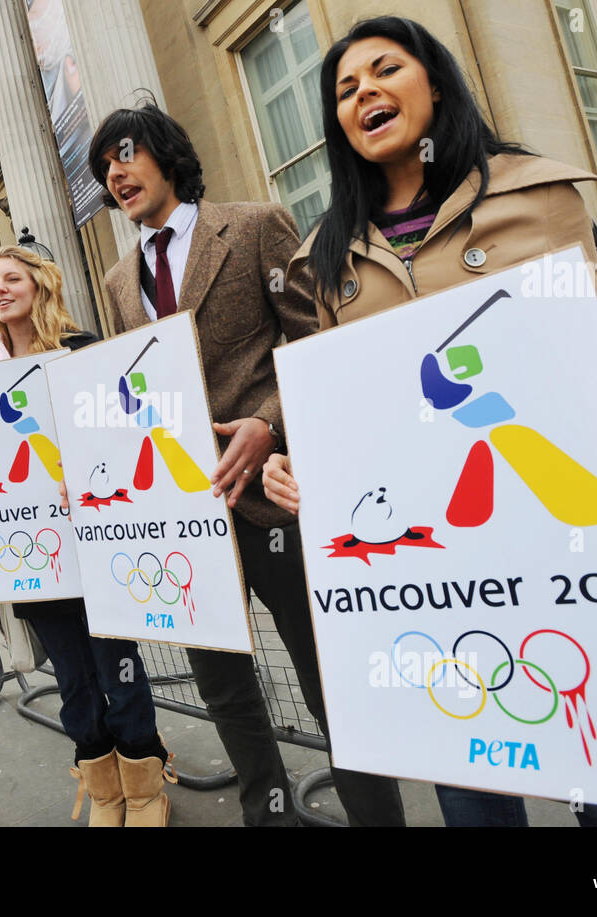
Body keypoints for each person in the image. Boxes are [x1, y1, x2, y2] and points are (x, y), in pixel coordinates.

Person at [262, 15, 597, 827]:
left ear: (434, 83)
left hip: (558, 546)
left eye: (385, 70)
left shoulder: (530, 194)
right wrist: (301, 465)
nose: (364, 92)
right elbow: (349, 411)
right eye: (344, 88)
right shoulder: (324, 256)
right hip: (430, 571)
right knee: (470, 786)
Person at [84, 102, 406, 827]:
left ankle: (378, 818)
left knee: (329, 679)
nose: (115, 171)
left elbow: (315, 346)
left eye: (126, 151)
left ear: (168, 154)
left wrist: (269, 424)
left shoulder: (256, 224)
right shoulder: (115, 280)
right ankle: (270, 816)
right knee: (224, 686)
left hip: (273, 498)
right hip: (186, 519)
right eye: (105, 164)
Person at [0, 244, 175, 826]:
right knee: (73, 681)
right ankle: (105, 788)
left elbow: (118, 430)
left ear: (40, 284)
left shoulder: (82, 352)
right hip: (32, 558)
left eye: (12, 277)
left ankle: (145, 782)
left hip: (96, 545)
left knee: (119, 667)